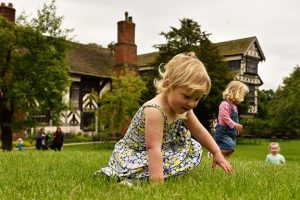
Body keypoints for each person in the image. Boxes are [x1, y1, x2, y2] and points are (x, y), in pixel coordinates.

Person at [97, 52, 232, 185]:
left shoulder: (185, 108)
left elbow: (199, 131)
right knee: (148, 166)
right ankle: (131, 181)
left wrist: (216, 152)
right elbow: (153, 149)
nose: (191, 103)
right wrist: (158, 183)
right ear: (168, 85)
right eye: (186, 97)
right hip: (136, 155)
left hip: (160, 150)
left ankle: (151, 176)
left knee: (192, 147)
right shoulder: (155, 110)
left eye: (196, 98)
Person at [214, 81, 249, 158]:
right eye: (242, 94)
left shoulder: (234, 107)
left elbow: (235, 119)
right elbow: (225, 117)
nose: (243, 98)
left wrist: (237, 129)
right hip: (223, 132)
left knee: (231, 150)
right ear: (236, 93)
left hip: (231, 132)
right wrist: (234, 125)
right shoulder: (225, 104)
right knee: (229, 147)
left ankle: (225, 163)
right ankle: (214, 154)